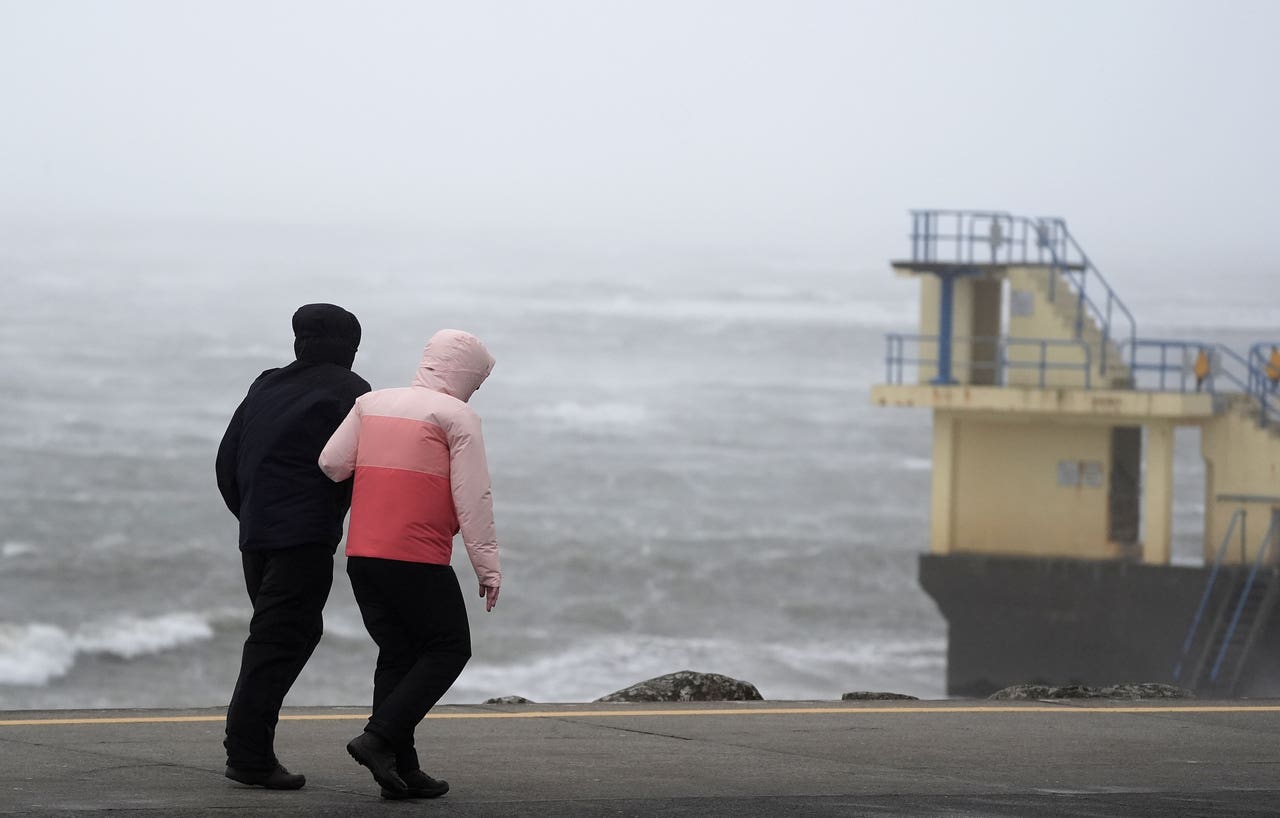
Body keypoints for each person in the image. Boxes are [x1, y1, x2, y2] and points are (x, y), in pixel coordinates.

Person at [319, 329, 501, 800]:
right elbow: (472, 497)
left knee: (398, 654)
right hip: (416, 556)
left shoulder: (371, 403)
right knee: (448, 647)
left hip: (363, 554)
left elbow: (332, 464)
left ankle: (401, 770)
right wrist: (488, 567)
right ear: (467, 376)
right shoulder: (457, 416)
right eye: (477, 381)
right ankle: (378, 739)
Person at [215, 303, 371, 789]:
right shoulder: (352, 391)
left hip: (257, 534)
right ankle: (248, 756)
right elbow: (357, 469)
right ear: (349, 347)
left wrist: (254, 515)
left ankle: (248, 746)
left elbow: (227, 460)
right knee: (279, 641)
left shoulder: (267, 383)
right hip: (302, 538)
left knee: (282, 636)